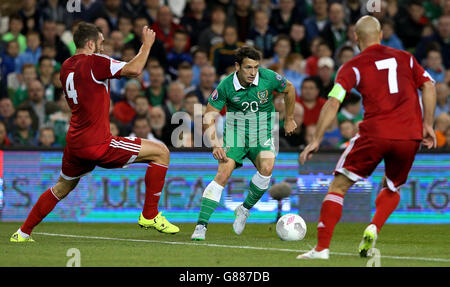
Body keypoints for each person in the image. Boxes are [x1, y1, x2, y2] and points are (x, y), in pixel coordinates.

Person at [10, 22, 179, 243]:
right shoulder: (95, 62)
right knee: (161, 152)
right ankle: (150, 215)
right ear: (90, 43)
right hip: (98, 143)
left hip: (75, 142)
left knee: (62, 187)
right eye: (100, 42)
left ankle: (22, 233)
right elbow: (134, 70)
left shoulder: (66, 66)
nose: (103, 46)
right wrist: (146, 45)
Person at [297, 16, 437, 259]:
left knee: (338, 186)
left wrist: (316, 138)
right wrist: (428, 124)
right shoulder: (406, 58)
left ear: (355, 37)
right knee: (393, 185)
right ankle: (374, 226)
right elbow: (430, 85)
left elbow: (333, 101)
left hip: (376, 133)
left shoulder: (352, 66)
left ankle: (321, 249)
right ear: (381, 34)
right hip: (409, 136)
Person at [190, 46, 297, 240]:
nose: (253, 72)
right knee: (223, 173)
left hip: (262, 132)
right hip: (235, 134)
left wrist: (289, 118)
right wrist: (215, 143)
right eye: (248, 68)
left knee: (267, 167)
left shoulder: (268, 77)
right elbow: (208, 116)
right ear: (237, 66)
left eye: (256, 67)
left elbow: (289, 88)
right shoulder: (225, 86)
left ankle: (244, 209)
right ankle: (201, 227)